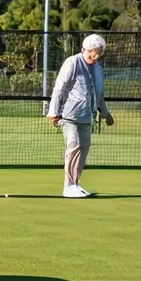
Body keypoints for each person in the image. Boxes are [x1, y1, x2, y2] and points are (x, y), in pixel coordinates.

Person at [48, 34, 114, 198]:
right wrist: (53, 112)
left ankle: (75, 184)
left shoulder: (97, 68)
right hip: (70, 115)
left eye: (101, 52)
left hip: (87, 116)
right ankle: (68, 186)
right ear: (88, 49)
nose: (99, 55)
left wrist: (105, 113)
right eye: (96, 52)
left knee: (83, 148)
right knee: (74, 147)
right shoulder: (73, 63)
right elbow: (59, 88)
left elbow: (99, 93)